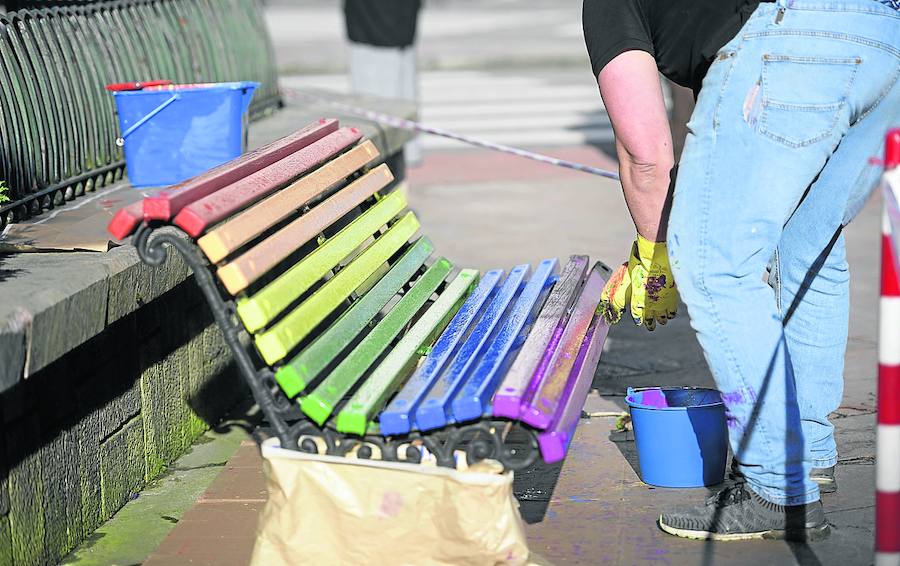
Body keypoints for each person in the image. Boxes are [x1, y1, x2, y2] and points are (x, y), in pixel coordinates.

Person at [584, 0, 900, 541]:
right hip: (884, 37)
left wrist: (658, 252)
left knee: (714, 269)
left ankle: (778, 488)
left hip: (793, 39)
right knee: (809, 245)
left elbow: (646, 153)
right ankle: (809, 452)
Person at [343, 0, 423, 166]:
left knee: (378, 97)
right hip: (390, 27)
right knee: (394, 94)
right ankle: (393, 154)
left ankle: (381, 155)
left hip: (375, 29)